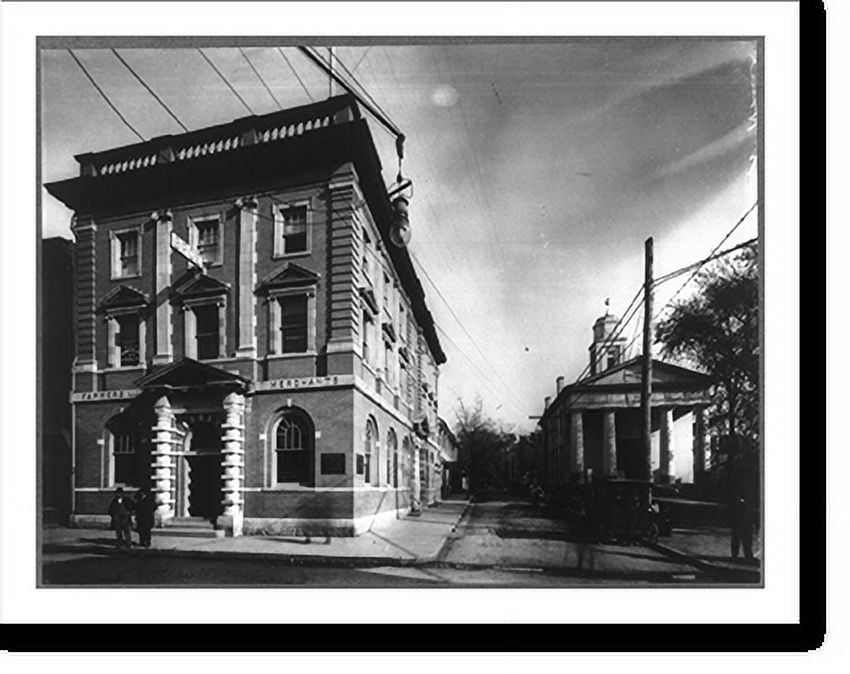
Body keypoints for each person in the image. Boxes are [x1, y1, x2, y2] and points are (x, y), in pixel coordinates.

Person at [728, 493, 755, 559]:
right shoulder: (744, 504)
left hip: (741, 525)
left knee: (740, 542)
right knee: (742, 542)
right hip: (743, 525)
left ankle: (737, 556)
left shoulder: (740, 504)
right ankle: (745, 556)